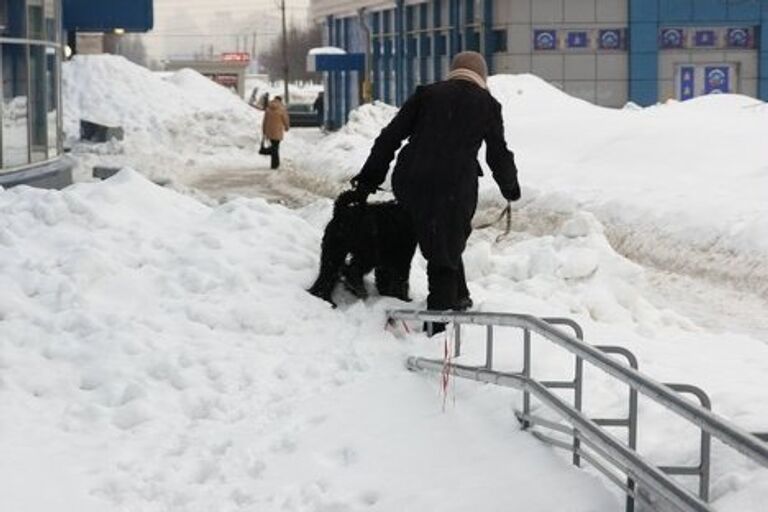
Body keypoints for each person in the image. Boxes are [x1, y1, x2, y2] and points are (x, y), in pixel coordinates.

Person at [350, 51, 521, 335]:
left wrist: (369, 179)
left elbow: (390, 136)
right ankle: (437, 330)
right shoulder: (487, 104)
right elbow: (498, 154)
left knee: (437, 237)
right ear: (482, 77)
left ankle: (453, 295)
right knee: (444, 252)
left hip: (411, 179)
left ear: (453, 71)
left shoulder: (427, 94)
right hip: (454, 186)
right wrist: (510, 188)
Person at [262, 95, 290, 169]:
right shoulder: (282, 109)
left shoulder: (268, 109)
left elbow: (265, 121)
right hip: (278, 131)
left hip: (269, 131)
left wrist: (264, 130)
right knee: (276, 147)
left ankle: (274, 164)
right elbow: (285, 119)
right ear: (280, 101)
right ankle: (275, 164)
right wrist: (287, 127)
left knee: (274, 147)